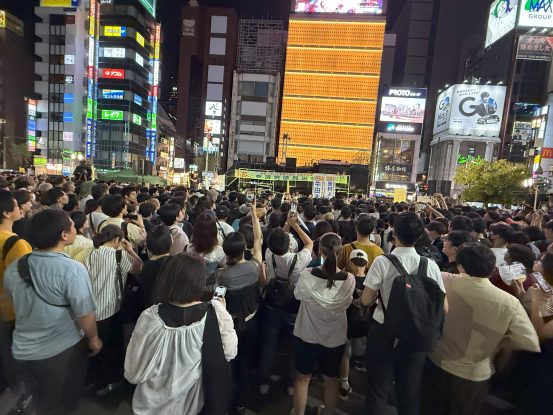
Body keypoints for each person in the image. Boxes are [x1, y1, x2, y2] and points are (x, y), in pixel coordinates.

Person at [422, 243, 540, 415]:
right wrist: (500, 340)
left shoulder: (443, 280)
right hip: (474, 374)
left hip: (435, 360)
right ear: (492, 268)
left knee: (429, 407)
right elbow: (529, 342)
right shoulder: (509, 302)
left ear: (460, 266)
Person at [3, 209, 101, 413]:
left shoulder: (15, 268)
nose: (74, 227)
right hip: (60, 351)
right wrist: (93, 339)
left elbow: (14, 302)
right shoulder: (72, 269)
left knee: (38, 399)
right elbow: (85, 313)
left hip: (22, 349)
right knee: (61, 402)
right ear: (64, 235)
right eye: (72, 225)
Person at [124, 253, 238, 415]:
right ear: (201, 281)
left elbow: (133, 373)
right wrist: (223, 313)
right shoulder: (216, 313)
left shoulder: (150, 318)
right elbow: (230, 352)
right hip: (192, 406)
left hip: (152, 407)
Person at [360, 212, 446, 415]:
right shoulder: (430, 265)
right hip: (417, 334)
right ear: (419, 236)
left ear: (395, 234)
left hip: (385, 332)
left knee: (378, 390)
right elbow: (444, 306)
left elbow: (366, 300)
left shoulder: (383, 261)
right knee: (409, 392)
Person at [292, 233, 355, 415]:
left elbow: (297, 295)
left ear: (320, 250)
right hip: (334, 338)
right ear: (340, 251)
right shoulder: (348, 279)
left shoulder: (307, 275)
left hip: (306, 335)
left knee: (303, 378)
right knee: (331, 379)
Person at [260, 214, 314, 395]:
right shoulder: (299, 260)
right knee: (293, 345)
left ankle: (264, 381)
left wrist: (286, 226)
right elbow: (309, 243)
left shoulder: (269, 254)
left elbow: (276, 242)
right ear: (289, 245)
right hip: (293, 305)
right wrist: (295, 226)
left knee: (269, 343)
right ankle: (291, 383)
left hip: (272, 303)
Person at [219, 203, 265, 413]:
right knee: (246, 361)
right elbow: (258, 239)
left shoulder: (222, 275)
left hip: (231, 323)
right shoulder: (254, 267)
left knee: (230, 360)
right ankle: (241, 402)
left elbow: (219, 299)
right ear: (244, 248)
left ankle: (226, 400)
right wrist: (254, 215)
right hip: (251, 320)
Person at [0, 189, 33, 325]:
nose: (19, 209)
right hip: (10, 312)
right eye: (16, 206)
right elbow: (24, 284)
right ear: (6, 213)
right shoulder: (16, 244)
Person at [187, 213, 226, 291]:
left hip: (192, 285)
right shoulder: (219, 250)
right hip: (210, 287)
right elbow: (223, 265)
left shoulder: (188, 248)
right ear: (214, 230)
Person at [137, 225, 172, 311]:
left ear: (148, 247)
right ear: (170, 243)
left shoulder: (146, 266)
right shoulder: (177, 262)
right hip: (170, 308)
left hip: (150, 309)